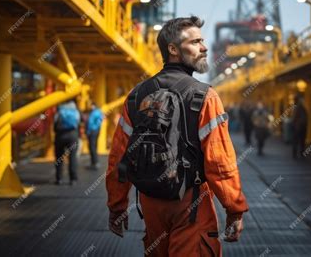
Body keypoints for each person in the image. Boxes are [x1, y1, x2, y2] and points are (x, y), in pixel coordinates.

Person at [106, 16, 249, 256]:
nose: (204, 47)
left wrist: (117, 206)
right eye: (195, 42)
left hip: (150, 201)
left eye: (202, 41)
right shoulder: (205, 97)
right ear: (173, 49)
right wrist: (234, 209)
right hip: (191, 203)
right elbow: (220, 162)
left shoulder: (136, 96)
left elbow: (119, 158)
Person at [54, 99, 80, 185]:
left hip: (60, 135)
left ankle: (59, 178)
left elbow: (55, 123)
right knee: (72, 158)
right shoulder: (75, 111)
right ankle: (73, 179)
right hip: (72, 135)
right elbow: (78, 123)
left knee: (59, 158)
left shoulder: (60, 110)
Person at [85, 102, 104, 170]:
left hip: (92, 131)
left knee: (92, 147)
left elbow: (90, 122)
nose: (90, 107)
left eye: (91, 105)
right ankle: (95, 162)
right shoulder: (99, 112)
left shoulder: (93, 113)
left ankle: (94, 163)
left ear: (93, 106)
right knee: (94, 146)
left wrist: (88, 132)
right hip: (97, 130)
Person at [292, 94, 308, 159]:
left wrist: (293, 124)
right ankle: (301, 154)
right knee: (302, 141)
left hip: (298, 127)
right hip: (302, 126)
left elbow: (294, 117)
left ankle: (295, 154)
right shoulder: (302, 107)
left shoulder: (296, 107)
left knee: (296, 141)